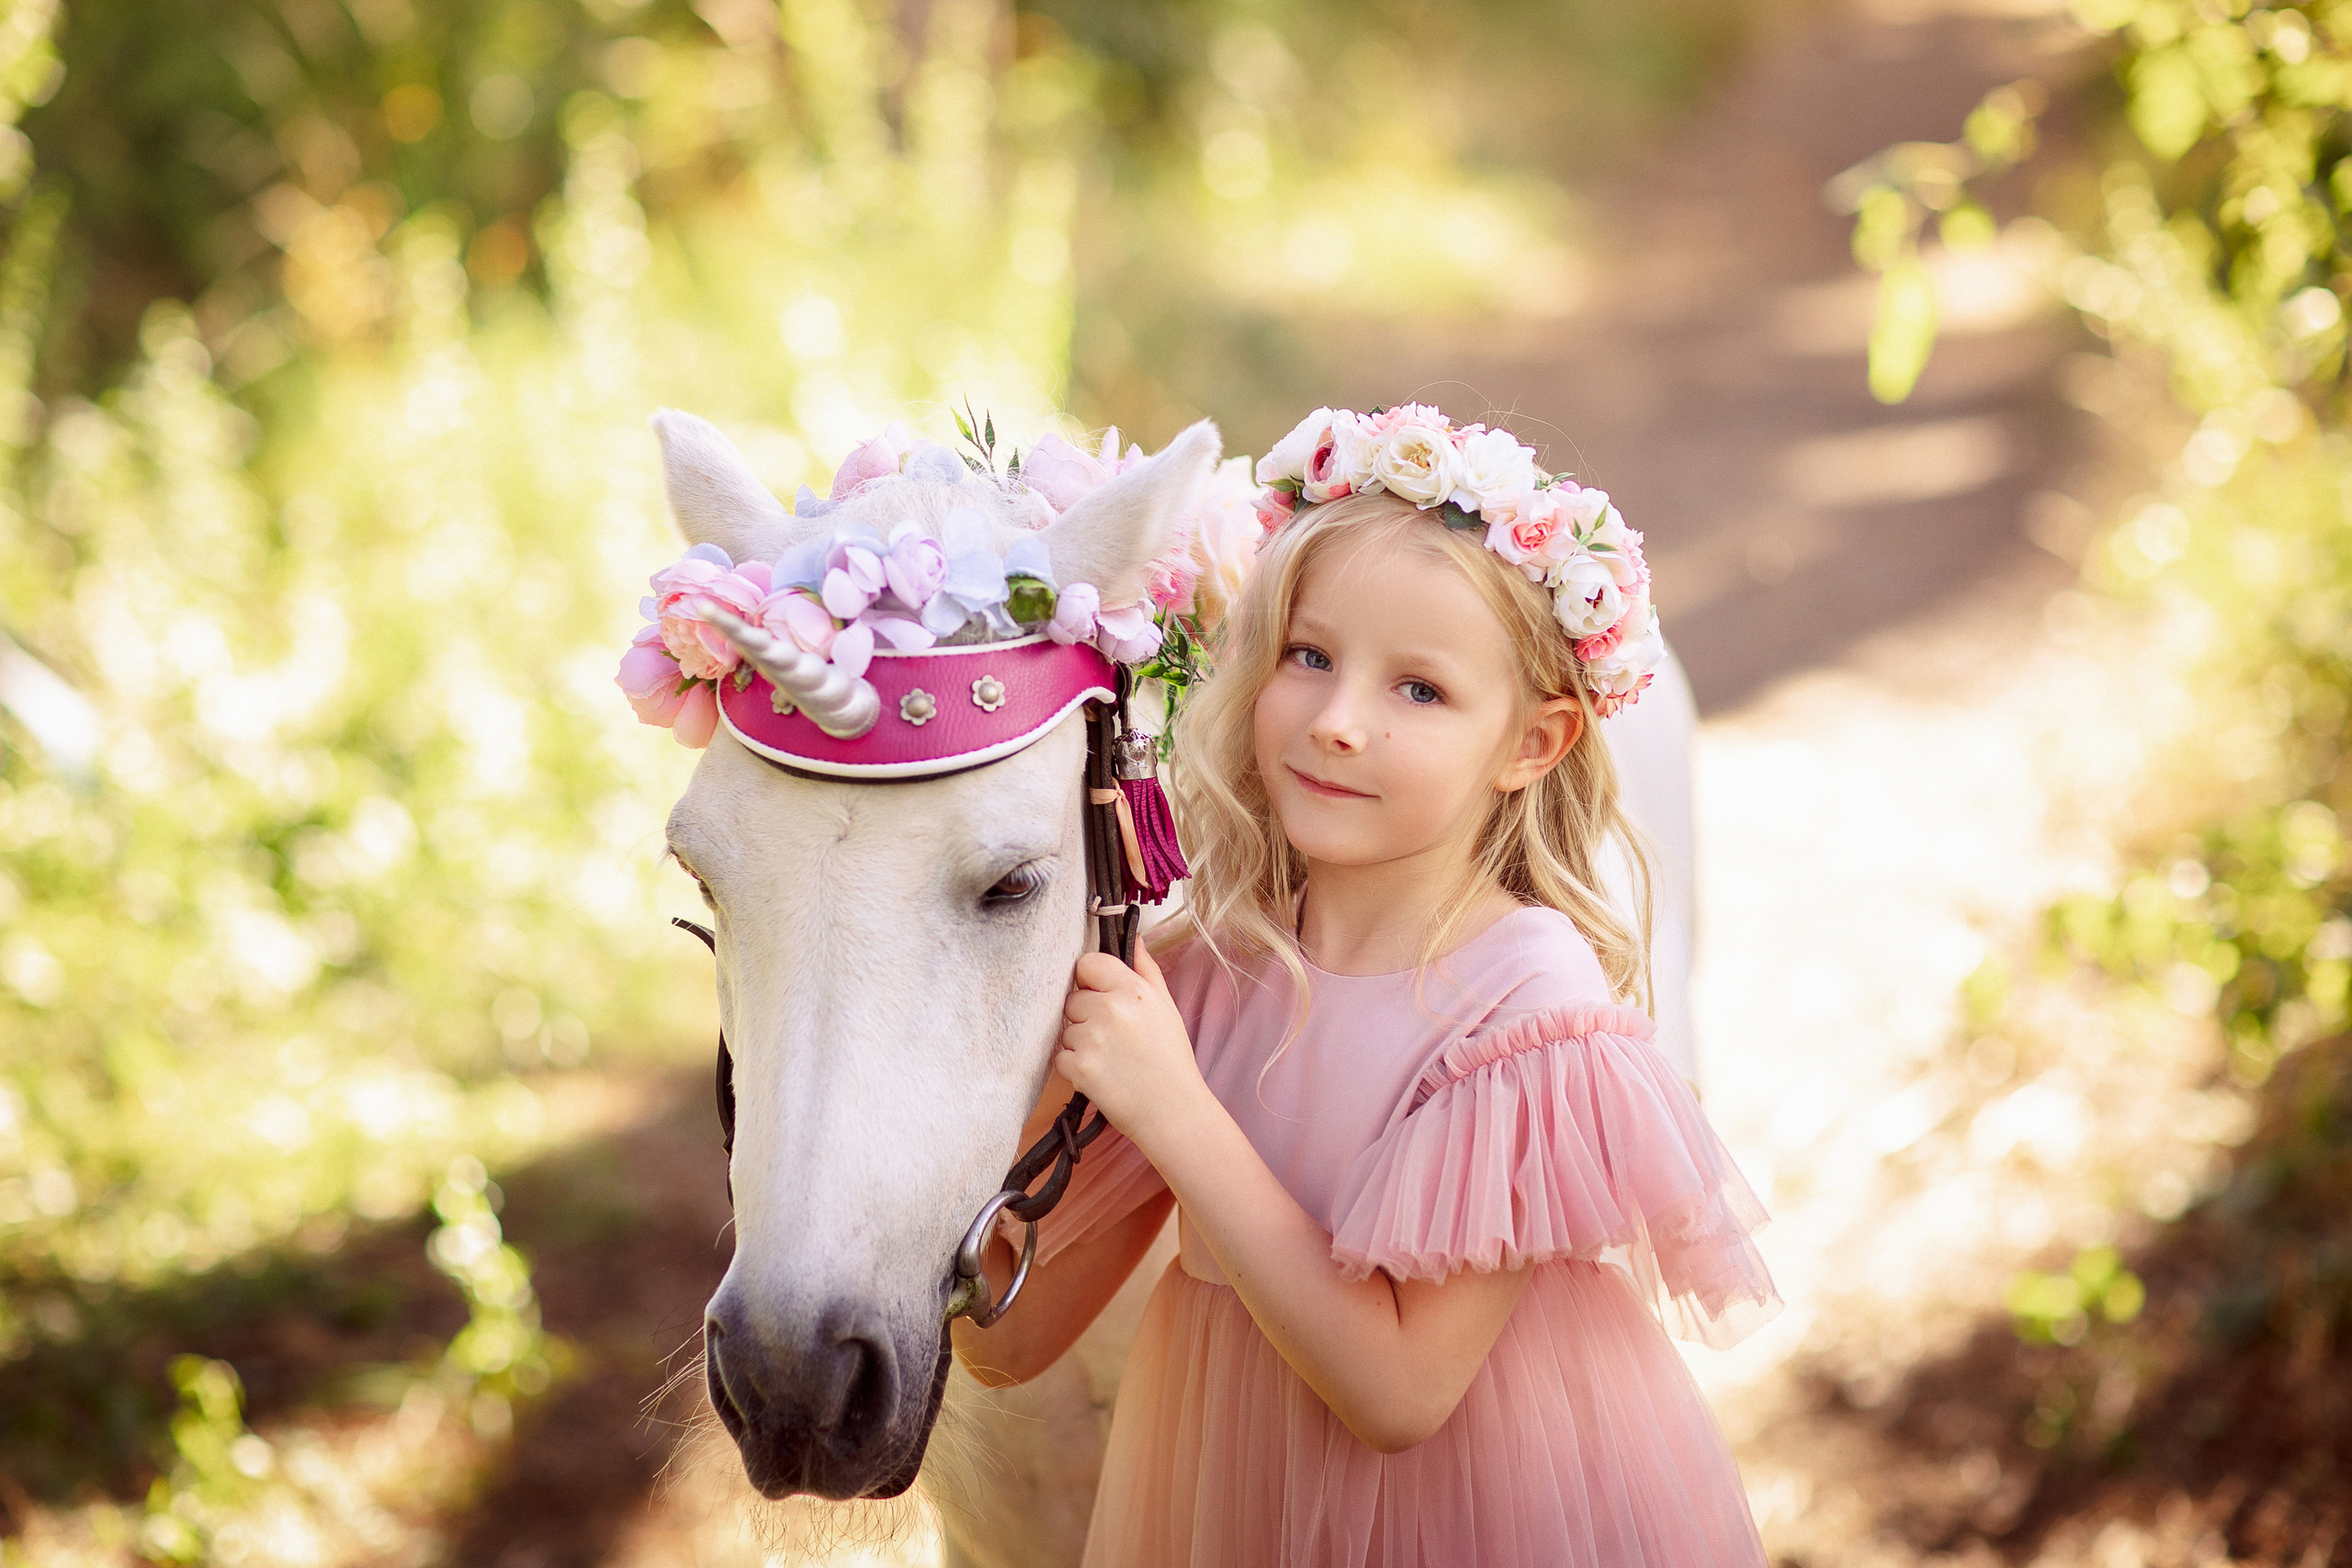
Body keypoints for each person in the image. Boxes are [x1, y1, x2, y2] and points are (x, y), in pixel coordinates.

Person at [952, 405, 1779, 1567]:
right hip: (1228, 1511)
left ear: (1530, 744)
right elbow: (1009, 1337)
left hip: (1476, 1521)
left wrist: (1174, 1108)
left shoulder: (1524, 1010)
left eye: (1420, 692)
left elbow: (1396, 1396)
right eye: (1311, 657)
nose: (1338, 723)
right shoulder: (1209, 972)